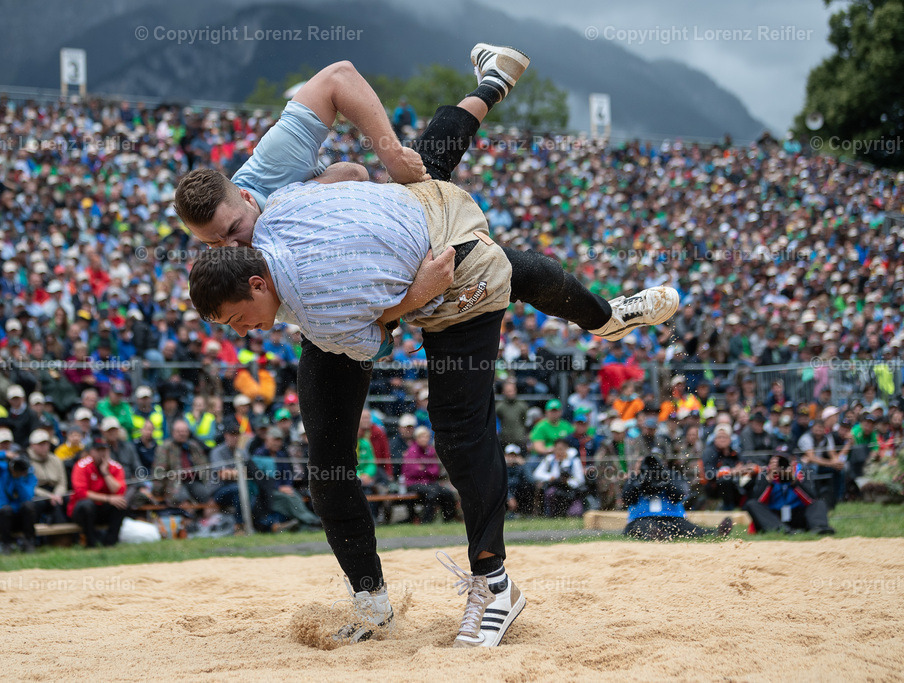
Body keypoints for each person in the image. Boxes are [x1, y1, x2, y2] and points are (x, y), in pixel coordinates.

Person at [177, 46, 677, 648]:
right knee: (329, 461)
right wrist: (379, 258)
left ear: (245, 197)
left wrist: (384, 160)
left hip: (398, 265)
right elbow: (352, 200)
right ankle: (371, 601)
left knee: (461, 251)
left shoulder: (270, 181)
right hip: (363, 287)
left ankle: (493, 583)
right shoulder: (260, 242)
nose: (235, 242)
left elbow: (341, 89)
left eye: (235, 231)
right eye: (215, 244)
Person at [621, 452, 733, 541]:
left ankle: (716, 532)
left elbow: (680, 495)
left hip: (672, 518)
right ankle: (655, 534)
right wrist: (638, 480)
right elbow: (627, 498)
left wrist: (665, 479)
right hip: (642, 518)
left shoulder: (672, 476)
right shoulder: (633, 479)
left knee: (688, 528)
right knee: (644, 526)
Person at [744, 450, 835, 535]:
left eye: (784, 462)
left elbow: (811, 499)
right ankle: (780, 529)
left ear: (792, 462)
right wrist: (769, 479)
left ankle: (820, 527)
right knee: (751, 504)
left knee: (819, 503)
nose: (781, 466)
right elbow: (758, 501)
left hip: (797, 513)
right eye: (777, 462)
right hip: (774, 516)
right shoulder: (765, 475)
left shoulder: (802, 472)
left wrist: (793, 480)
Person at [69, 433, 128, 547]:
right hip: (82, 510)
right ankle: (90, 544)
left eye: (105, 450)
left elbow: (119, 491)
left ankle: (110, 543)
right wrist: (108, 498)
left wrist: (106, 473)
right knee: (87, 505)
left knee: (121, 503)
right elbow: (81, 492)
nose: (102, 453)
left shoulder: (115, 467)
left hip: (103, 509)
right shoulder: (81, 466)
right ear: (92, 452)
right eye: (99, 450)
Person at [0, 447, 38, 553]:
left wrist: (18, 479)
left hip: (18, 520)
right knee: (6, 510)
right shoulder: (3, 470)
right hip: (2, 519)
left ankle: (29, 542)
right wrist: (5, 454)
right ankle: (6, 544)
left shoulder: (29, 476)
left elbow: (27, 496)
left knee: (29, 506)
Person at [401, 426, 457, 524]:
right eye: (422, 437)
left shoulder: (430, 451)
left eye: (426, 437)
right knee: (432, 493)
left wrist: (423, 469)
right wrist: (426, 470)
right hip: (413, 484)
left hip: (429, 483)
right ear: (417, 438)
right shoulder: (412, 451)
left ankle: (448, 519)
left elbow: (435, 471)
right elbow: (413, 471)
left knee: (447, 493)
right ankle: (426, 521)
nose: (424, 439)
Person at [27, 429, 68, 525]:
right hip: (37, 494)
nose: (44, 447)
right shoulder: (26, 460)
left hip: (56, 492)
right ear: (32, 445)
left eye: (46, 444)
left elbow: (62, 482)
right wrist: (48, 496)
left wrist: (57, 495)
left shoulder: (56, 460)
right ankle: (37, 536)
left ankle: (67, 534)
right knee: (37, 504)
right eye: (40, 444)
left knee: (67, 501)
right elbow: (29, 485)